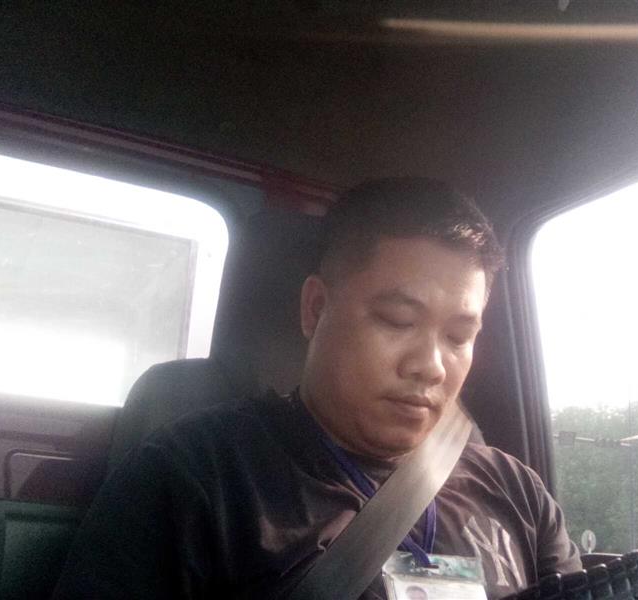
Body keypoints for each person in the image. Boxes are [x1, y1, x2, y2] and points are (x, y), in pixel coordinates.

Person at [52, 178, 580, 600]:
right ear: (315, 309)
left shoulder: (518, 492)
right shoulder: (191, 479)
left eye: (459, 337)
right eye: (397, 321)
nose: (431, 366)